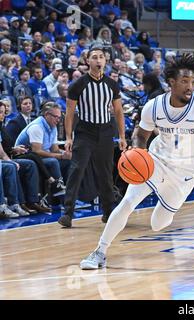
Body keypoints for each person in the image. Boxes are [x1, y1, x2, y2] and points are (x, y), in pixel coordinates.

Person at [79, 54, 194, 269]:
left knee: (158, 224)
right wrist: (139, 152)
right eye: (184, 81)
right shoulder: (154, 106)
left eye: (193, 82)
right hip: (156, 162)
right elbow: (141, 135)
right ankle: (99, 251)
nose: (190, 86)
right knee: (127, 203)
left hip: (185, 175)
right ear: (171, 82)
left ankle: (165, 206)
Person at [58, 45, 128, 228]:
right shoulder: (78, 84)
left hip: (105, 131)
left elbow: (119, 111)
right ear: (87, 61)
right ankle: (67, 213)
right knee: (77, 171)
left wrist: (122, 135)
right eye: (95, 57)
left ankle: (107, 211)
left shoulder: (112, 84)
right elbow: (70, 113)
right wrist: (68, 137)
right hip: (85, 132)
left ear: (105, 61)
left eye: (101, 57)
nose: (98, 60)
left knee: (105, 173)